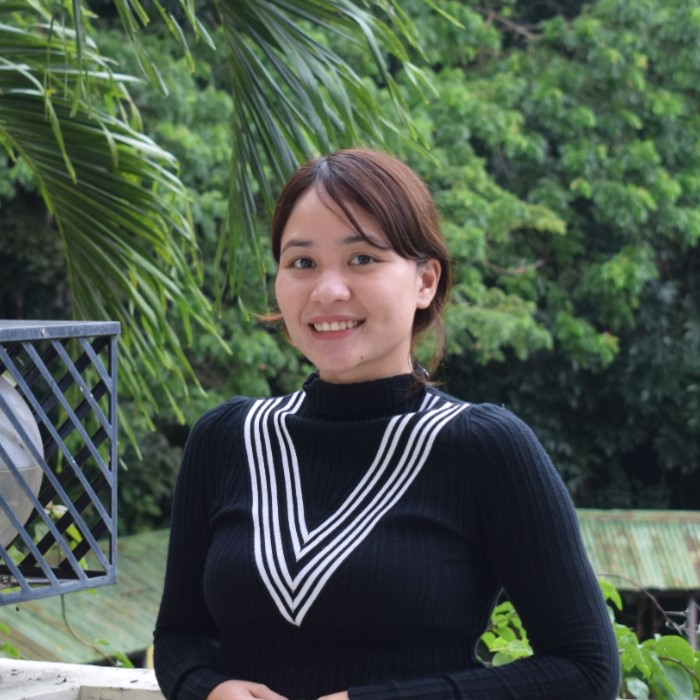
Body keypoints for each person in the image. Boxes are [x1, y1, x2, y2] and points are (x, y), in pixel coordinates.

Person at [153, 148, 620, 700]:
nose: (327, 291)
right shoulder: (228, 438)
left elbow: (585, 670)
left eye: (362, 259)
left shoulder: (481, 446)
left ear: (425, 281)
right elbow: (180, 635)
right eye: (301, 263)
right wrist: (208, 688)